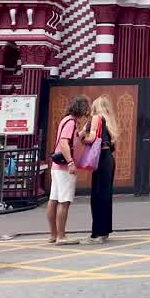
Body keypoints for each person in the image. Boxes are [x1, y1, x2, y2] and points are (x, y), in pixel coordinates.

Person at [47, 95, 89, 246]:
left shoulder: (66, 120)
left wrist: (82, 132)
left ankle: (53, 234)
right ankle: (61, 236)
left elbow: (72, 140)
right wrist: (71, 162)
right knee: (64, 202)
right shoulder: (71, 122)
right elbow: (65, 143)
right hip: (64, 167)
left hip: (56, 167)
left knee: (54, 199)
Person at [81, 95, 119, 243]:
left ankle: (96, 234)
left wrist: (81, 140)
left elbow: (91, 139)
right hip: (108, 158)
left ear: (95, 107)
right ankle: (104, 232)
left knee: (96, 196)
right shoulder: (109, 122)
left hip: (101, 158)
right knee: (105, 195)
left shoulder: (97, 118)